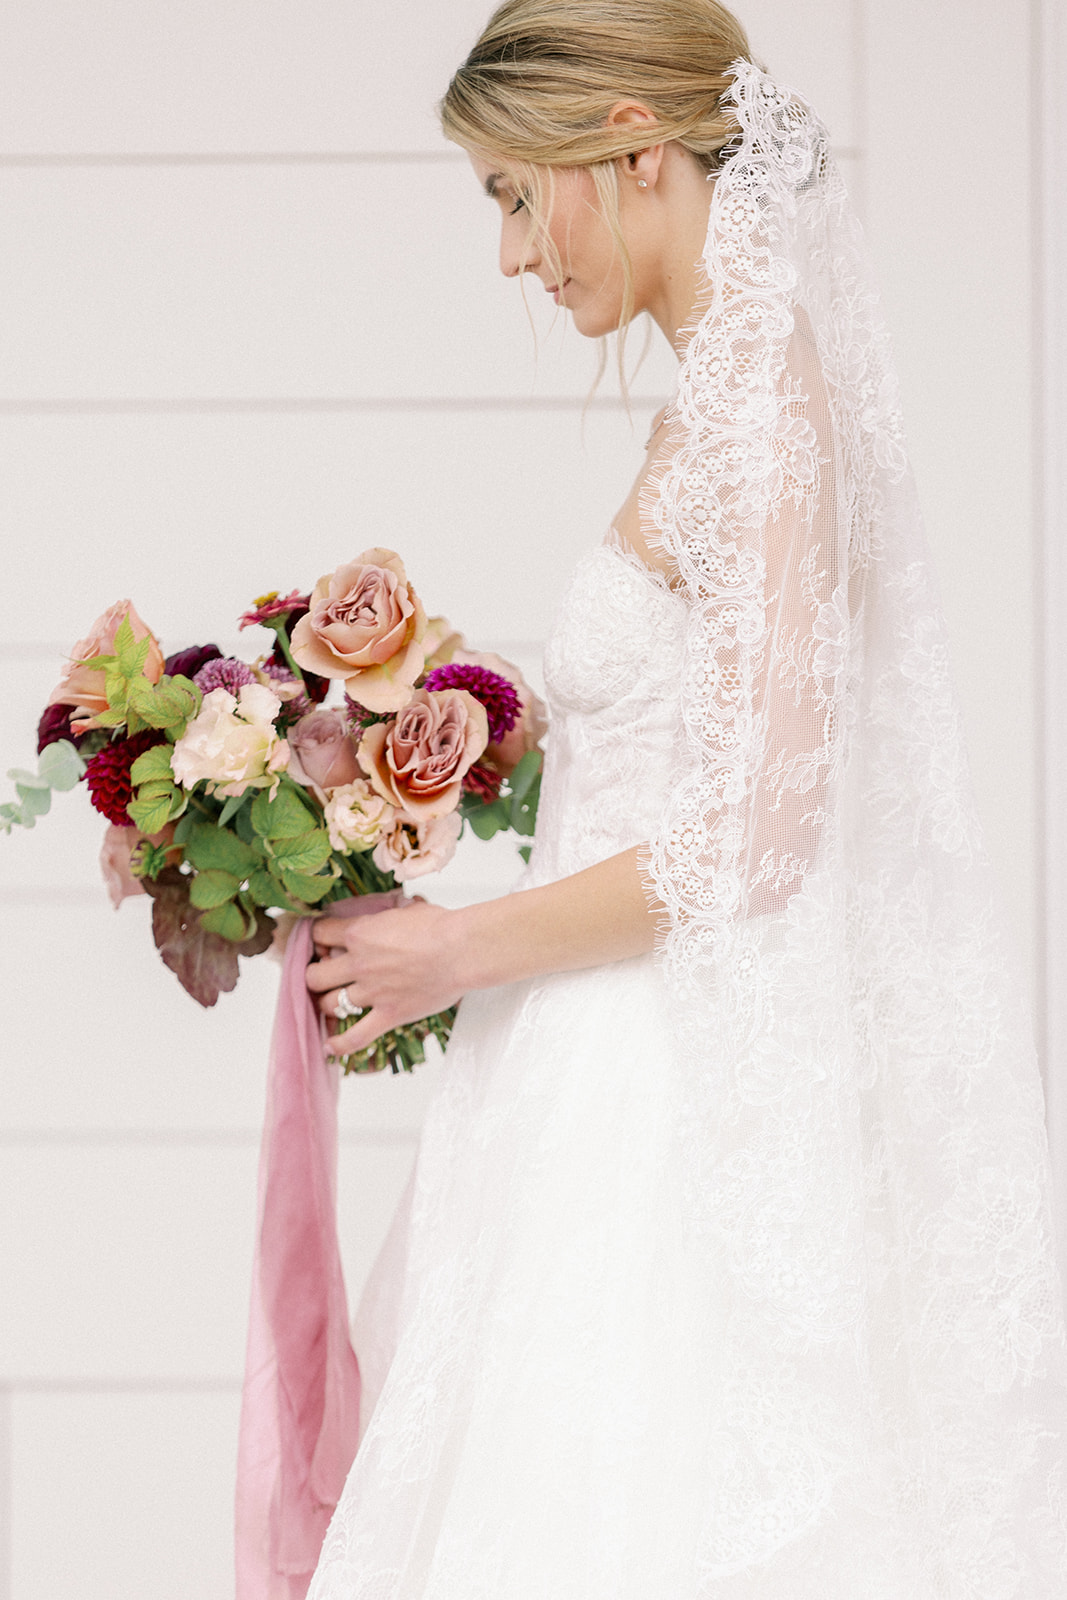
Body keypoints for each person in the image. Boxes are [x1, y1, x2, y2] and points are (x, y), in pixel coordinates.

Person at [304, 2, 1067, 1594]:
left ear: (631, 151)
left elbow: (758, 831)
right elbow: (690, 743)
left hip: (660, 1087)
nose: (515, 257)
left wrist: (453, 953)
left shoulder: (764, 409)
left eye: (519, 197)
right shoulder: (729, 396)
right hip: (599, 1048)